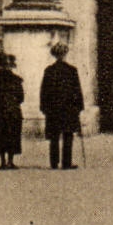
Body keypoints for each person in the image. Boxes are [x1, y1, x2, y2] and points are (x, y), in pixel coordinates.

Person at [40, 42, 84, 170]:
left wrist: (44, 107)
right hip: (68, 108)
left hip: (53, 108)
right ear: (65, 54)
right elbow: (77, 90)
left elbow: (44, 91)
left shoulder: (49, 70)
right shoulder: (72, 70)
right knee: (68, 135)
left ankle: (54, 162)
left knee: (54, 136)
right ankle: (66, 162)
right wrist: (79, 106)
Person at [0, 52, 25, 169]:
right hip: (13, 111)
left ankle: (2, 161)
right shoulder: (16, 80)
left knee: (1, 135)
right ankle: (10, 161)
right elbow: (21, 98)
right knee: (12, 135)